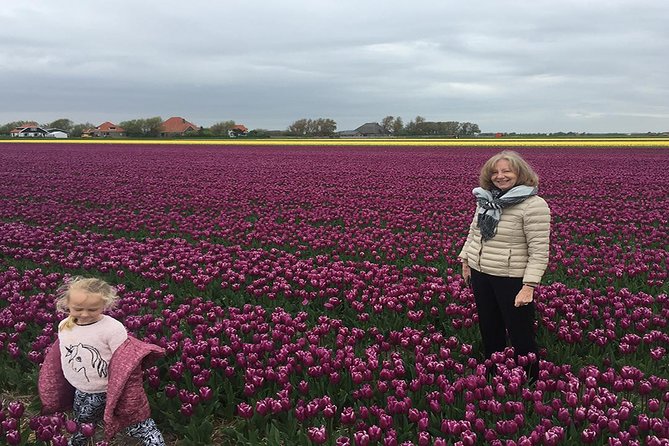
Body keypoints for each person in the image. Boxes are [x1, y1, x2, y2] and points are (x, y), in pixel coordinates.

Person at [38, 276, 166, 445]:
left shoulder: (112, 329)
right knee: (82, 416)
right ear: (67, 304)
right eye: (78, 308)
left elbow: (125, 360)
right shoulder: (64, 325)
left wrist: (129, 389)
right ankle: (80, 437)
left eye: (92, 309)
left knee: (132, 419)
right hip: (81, 387)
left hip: (106, 388)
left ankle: (153, 440)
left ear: (104, 305)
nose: (84, 314)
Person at [458, 150, 550, 382]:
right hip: (482, 272)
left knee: (521, 332)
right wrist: (466, 260)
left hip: (511, 278)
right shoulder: (486, 200)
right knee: (490, 329)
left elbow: (539, 250)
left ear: (520, 173)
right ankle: (493, 376)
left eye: (507, 171)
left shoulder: (533, 205)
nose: (500, 176)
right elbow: (474, 232)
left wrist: (529, 285)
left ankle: (530, 381)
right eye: (495, 172)